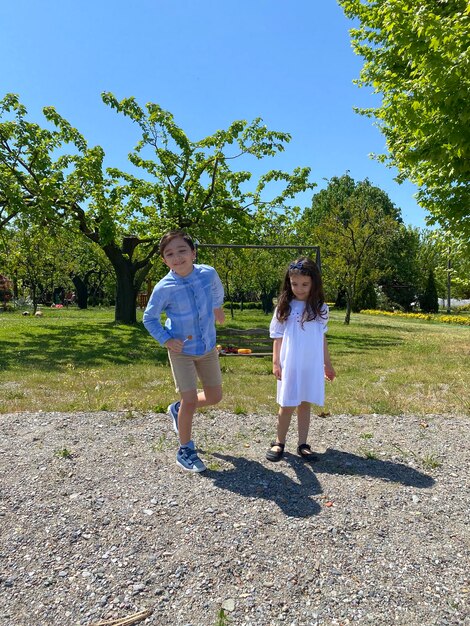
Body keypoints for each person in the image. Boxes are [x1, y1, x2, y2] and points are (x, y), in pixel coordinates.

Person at [143, 230, 225, 473]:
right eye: (170, 254)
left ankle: (177, 410)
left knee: (214, 397)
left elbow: (216, 290)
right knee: (190, 399)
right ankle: (185, 450)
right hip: (181, 350)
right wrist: (167, 340)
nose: (177, 257)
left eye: (182, 251)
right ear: (164, 260)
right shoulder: (164, 287)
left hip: (208, 347)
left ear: (193, 253)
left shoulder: (207, 273)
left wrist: (217, 306)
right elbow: (149, 319)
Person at [266, 257, 336, 462]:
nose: (299, 288)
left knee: (305, 403)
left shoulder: (320, 308)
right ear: (289, 282)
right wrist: (276, 362)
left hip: (310, 365)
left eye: (305, 284)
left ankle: (303, 443)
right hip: (290, 364)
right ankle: (279, 442)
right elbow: (277, 337)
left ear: (314, 283)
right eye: (294, 284)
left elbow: (321, 337)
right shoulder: (284, 306)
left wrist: (327, 364)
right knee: (287, 403)